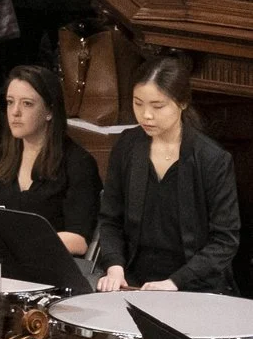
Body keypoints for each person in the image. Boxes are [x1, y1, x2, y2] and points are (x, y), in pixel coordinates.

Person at [96, 55, 241, 292]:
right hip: (134, 278)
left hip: (194, 285)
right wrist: (114, 266)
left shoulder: (212, 159)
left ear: (182, 102)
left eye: (157, 106)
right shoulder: (126, 145)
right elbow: (110, 219)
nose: (146, 115)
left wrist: (175, 283)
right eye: (138, 103)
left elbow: (225, 240)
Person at [0, 65, 101, 256]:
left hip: (50, 264)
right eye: (10, 102)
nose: (15, 112)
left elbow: (80, 240)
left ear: (49, 111)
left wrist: (19, 243)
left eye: (27, 104)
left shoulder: (78, 163)